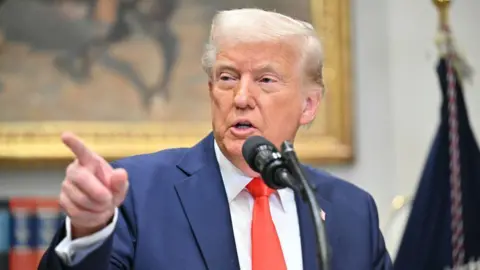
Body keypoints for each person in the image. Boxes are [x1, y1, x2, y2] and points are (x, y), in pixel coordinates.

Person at [38, 8, 393, 270]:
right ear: (211, 90)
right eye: (227, 77)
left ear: (309, 105)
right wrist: (89, 231)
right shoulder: (136, 195)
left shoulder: (352, 211)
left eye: (266, 80)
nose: (240, 97)